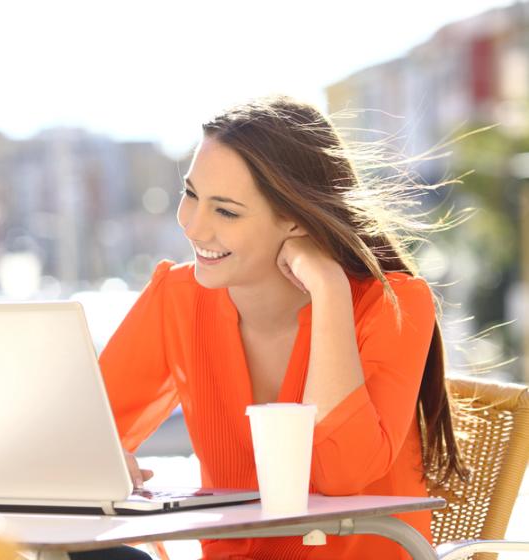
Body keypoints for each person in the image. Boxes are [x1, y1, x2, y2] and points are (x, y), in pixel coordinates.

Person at [98, 94, 468, 560]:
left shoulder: (393, 303)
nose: (193, 226)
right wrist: (100, 466)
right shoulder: (178, 296)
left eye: (226, 211)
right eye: (191, 195)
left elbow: (341, 473)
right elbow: (87, 434)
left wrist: (329, 292)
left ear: (293, 218)